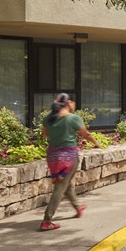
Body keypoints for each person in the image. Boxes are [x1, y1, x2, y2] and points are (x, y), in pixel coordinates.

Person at [40, 93, 100, 231]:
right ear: (69, 103)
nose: (75, 106)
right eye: (74, 103)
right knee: (60, 187)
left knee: (64, 184)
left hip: (53, 156)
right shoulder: (73, 118)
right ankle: (47, 221)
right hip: (68, 156)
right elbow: (86, 134)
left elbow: (45, 134)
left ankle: (77, 207)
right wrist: (96, 143)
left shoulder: (48, 119)